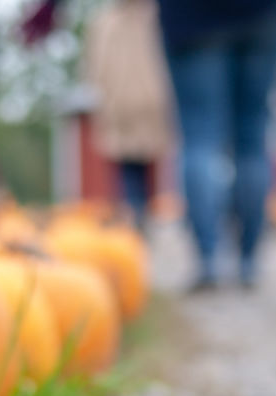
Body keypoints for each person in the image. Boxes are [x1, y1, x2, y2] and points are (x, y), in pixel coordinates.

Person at [24, 0, 276, 290]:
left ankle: (208, 260)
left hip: (193, 17)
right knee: (252, 138)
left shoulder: (113, 24)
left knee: (200, 139)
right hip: (266, 11)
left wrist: (48, 9)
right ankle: (248, 263)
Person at [81, 0, 172, 232]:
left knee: (128, 166)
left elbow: (94, 68)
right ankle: (142, 215)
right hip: (152, 99)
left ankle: (136, 214)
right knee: (146, 163)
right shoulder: (158, 17)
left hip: (120, 103)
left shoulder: (103, 24)